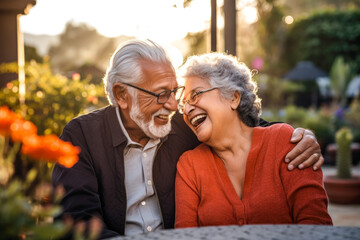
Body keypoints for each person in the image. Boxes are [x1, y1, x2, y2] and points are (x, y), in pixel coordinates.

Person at [52, 39, 325, 239]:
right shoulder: (81, 136)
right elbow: (78, 222)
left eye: (176, 93)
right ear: (122, 95)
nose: (173, 106)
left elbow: (240, 126)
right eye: (161, 94)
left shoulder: (181, 126)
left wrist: (297, 136)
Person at [174, 52, 333, 228]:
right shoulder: (189, 165)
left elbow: (316, 228)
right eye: (184, 104)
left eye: (195, 95)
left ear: (233, 98)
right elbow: (185, 235)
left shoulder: (285, 143)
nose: (187, 109)